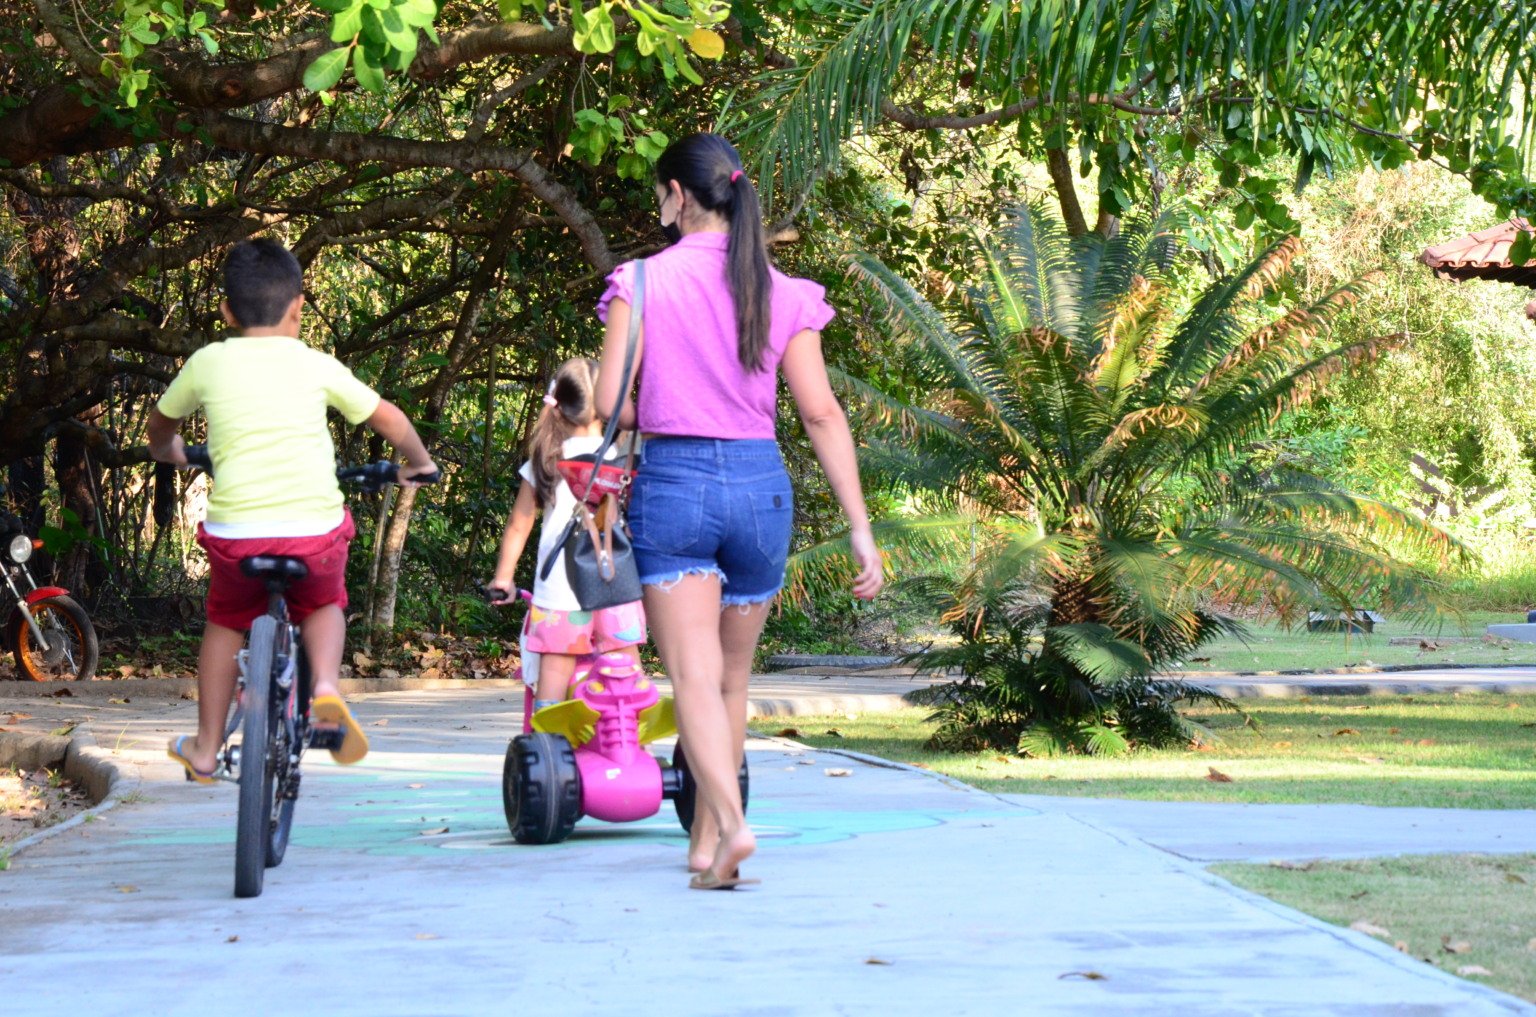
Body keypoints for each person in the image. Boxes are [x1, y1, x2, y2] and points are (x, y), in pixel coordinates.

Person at [594, 133, 883, 890]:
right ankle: (702, 844)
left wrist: (640, 399)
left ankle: (732, 824)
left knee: (690, 675)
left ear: (679, 196)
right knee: (731, 678)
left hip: (678, 485)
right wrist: (860, 526)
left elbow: (607, 404)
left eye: (660, 195)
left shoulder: (643, 283)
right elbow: (820, 413)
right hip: (762, 490)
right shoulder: (782, 291)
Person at [148, 239, 437, 782]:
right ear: (298, 307)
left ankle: (207, 748)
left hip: (236, 538)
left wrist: (172, 453)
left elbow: (160, 428)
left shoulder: (207, 362)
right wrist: (419, 464)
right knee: (324, 601)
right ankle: (325, 687)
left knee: (224, 622)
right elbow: (390, 420)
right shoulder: (316, 364)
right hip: (313, 534)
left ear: (226, 310)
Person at [485, 358, 647, 709]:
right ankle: (632, 741)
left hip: (560, 589)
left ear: (556, 407)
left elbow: (519, 524)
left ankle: (546, 749)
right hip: (613, 581)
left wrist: (504, 577)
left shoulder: (545, 461)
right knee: (627, 667)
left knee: (555, 673)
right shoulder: (622, 457)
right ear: (608, 405)